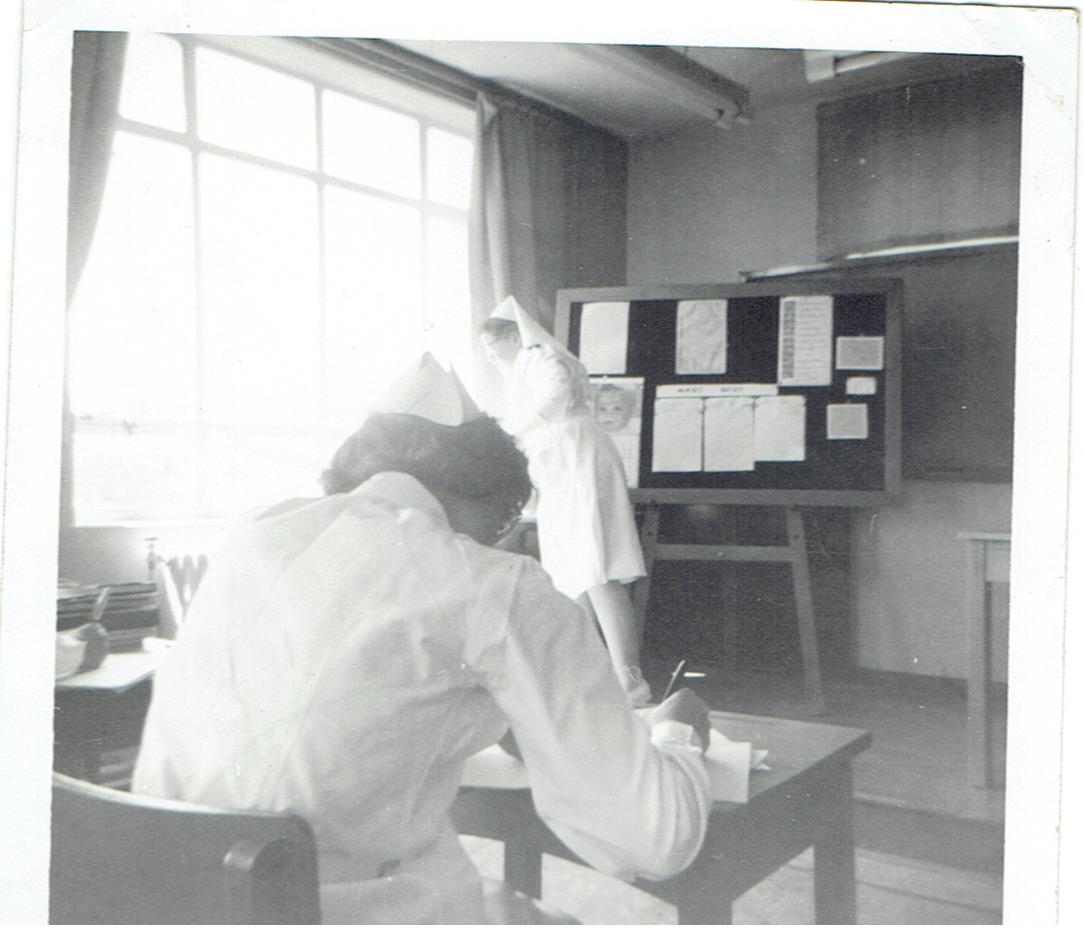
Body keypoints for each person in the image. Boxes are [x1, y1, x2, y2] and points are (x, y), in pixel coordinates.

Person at [132, 354, 711, 924]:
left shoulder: (255, 533)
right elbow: (654, 838)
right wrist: (676, 731)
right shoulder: (494, 582)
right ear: (494, 496)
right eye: (506, 520)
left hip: (158, 897)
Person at [480, 297, 651, 704]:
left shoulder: (541, 357)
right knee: (571, 571)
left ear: (511, 335)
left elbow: (554, 399)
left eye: (491, 347)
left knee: (597, 567)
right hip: (560, 472)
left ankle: (630, 679)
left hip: (580, 463)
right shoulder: (520, 370)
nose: (489, 357)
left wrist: (509, 430)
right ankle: (589, 674)